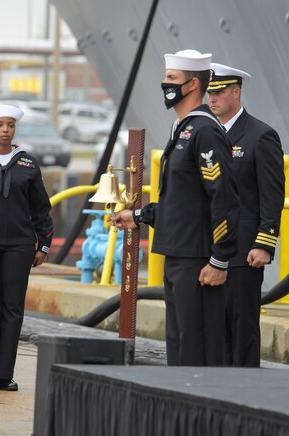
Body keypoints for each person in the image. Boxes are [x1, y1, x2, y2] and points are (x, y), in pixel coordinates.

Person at [110, 50, 240, 366]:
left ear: (193, 84)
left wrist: (220, 259)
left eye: (171, 78)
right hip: (176, 253)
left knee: (196, 348)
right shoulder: (182, 129)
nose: (164, 84)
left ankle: (201, 413)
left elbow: (222, 197)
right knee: (179, 345)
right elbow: (181, 201)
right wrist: (138, 215)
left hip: (197, 259)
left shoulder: (205, 131)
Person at [0, 104, 53, 391]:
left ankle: (4, 374)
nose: (6, 130)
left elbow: (41, 207)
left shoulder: (27, 163)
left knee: (12, 308)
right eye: (0, 125)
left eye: (10, 125)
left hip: (18, 246)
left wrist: (43, 244)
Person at [207, 63, 285, 367]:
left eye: (219, 92)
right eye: (210, 93)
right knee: (214, 329)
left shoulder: (260, 136)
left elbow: (271, 193)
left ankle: (244, 387)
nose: (212, 99)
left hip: (243, 252)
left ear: (236, 92)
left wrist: (264, 242)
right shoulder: (207, 133)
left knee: (241, 328)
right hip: (213, 249)